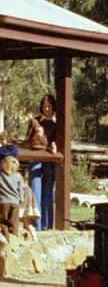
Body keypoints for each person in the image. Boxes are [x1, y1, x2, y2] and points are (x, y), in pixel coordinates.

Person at [25, 94, 57, 231]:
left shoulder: (58, 123)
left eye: (49, 106)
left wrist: (54, 146)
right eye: (44, 106)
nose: (47, 109)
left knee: (48, 193)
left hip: (50, 161)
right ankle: (36, 225)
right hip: (35, 160)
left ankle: (47, 225)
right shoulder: (35, 121)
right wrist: (35, 136)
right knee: (35, 190)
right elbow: (26, 141)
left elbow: (59, 142)